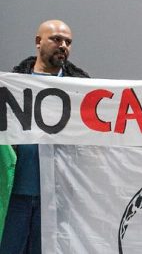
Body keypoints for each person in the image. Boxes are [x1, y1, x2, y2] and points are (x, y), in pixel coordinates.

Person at [0, 20, 90, 254]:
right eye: (56, 39)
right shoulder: (11, 86)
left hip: (56, 196)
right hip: (15, 193)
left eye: (68, 42)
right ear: (38, 42)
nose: (63, 46)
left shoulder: (83, 90)